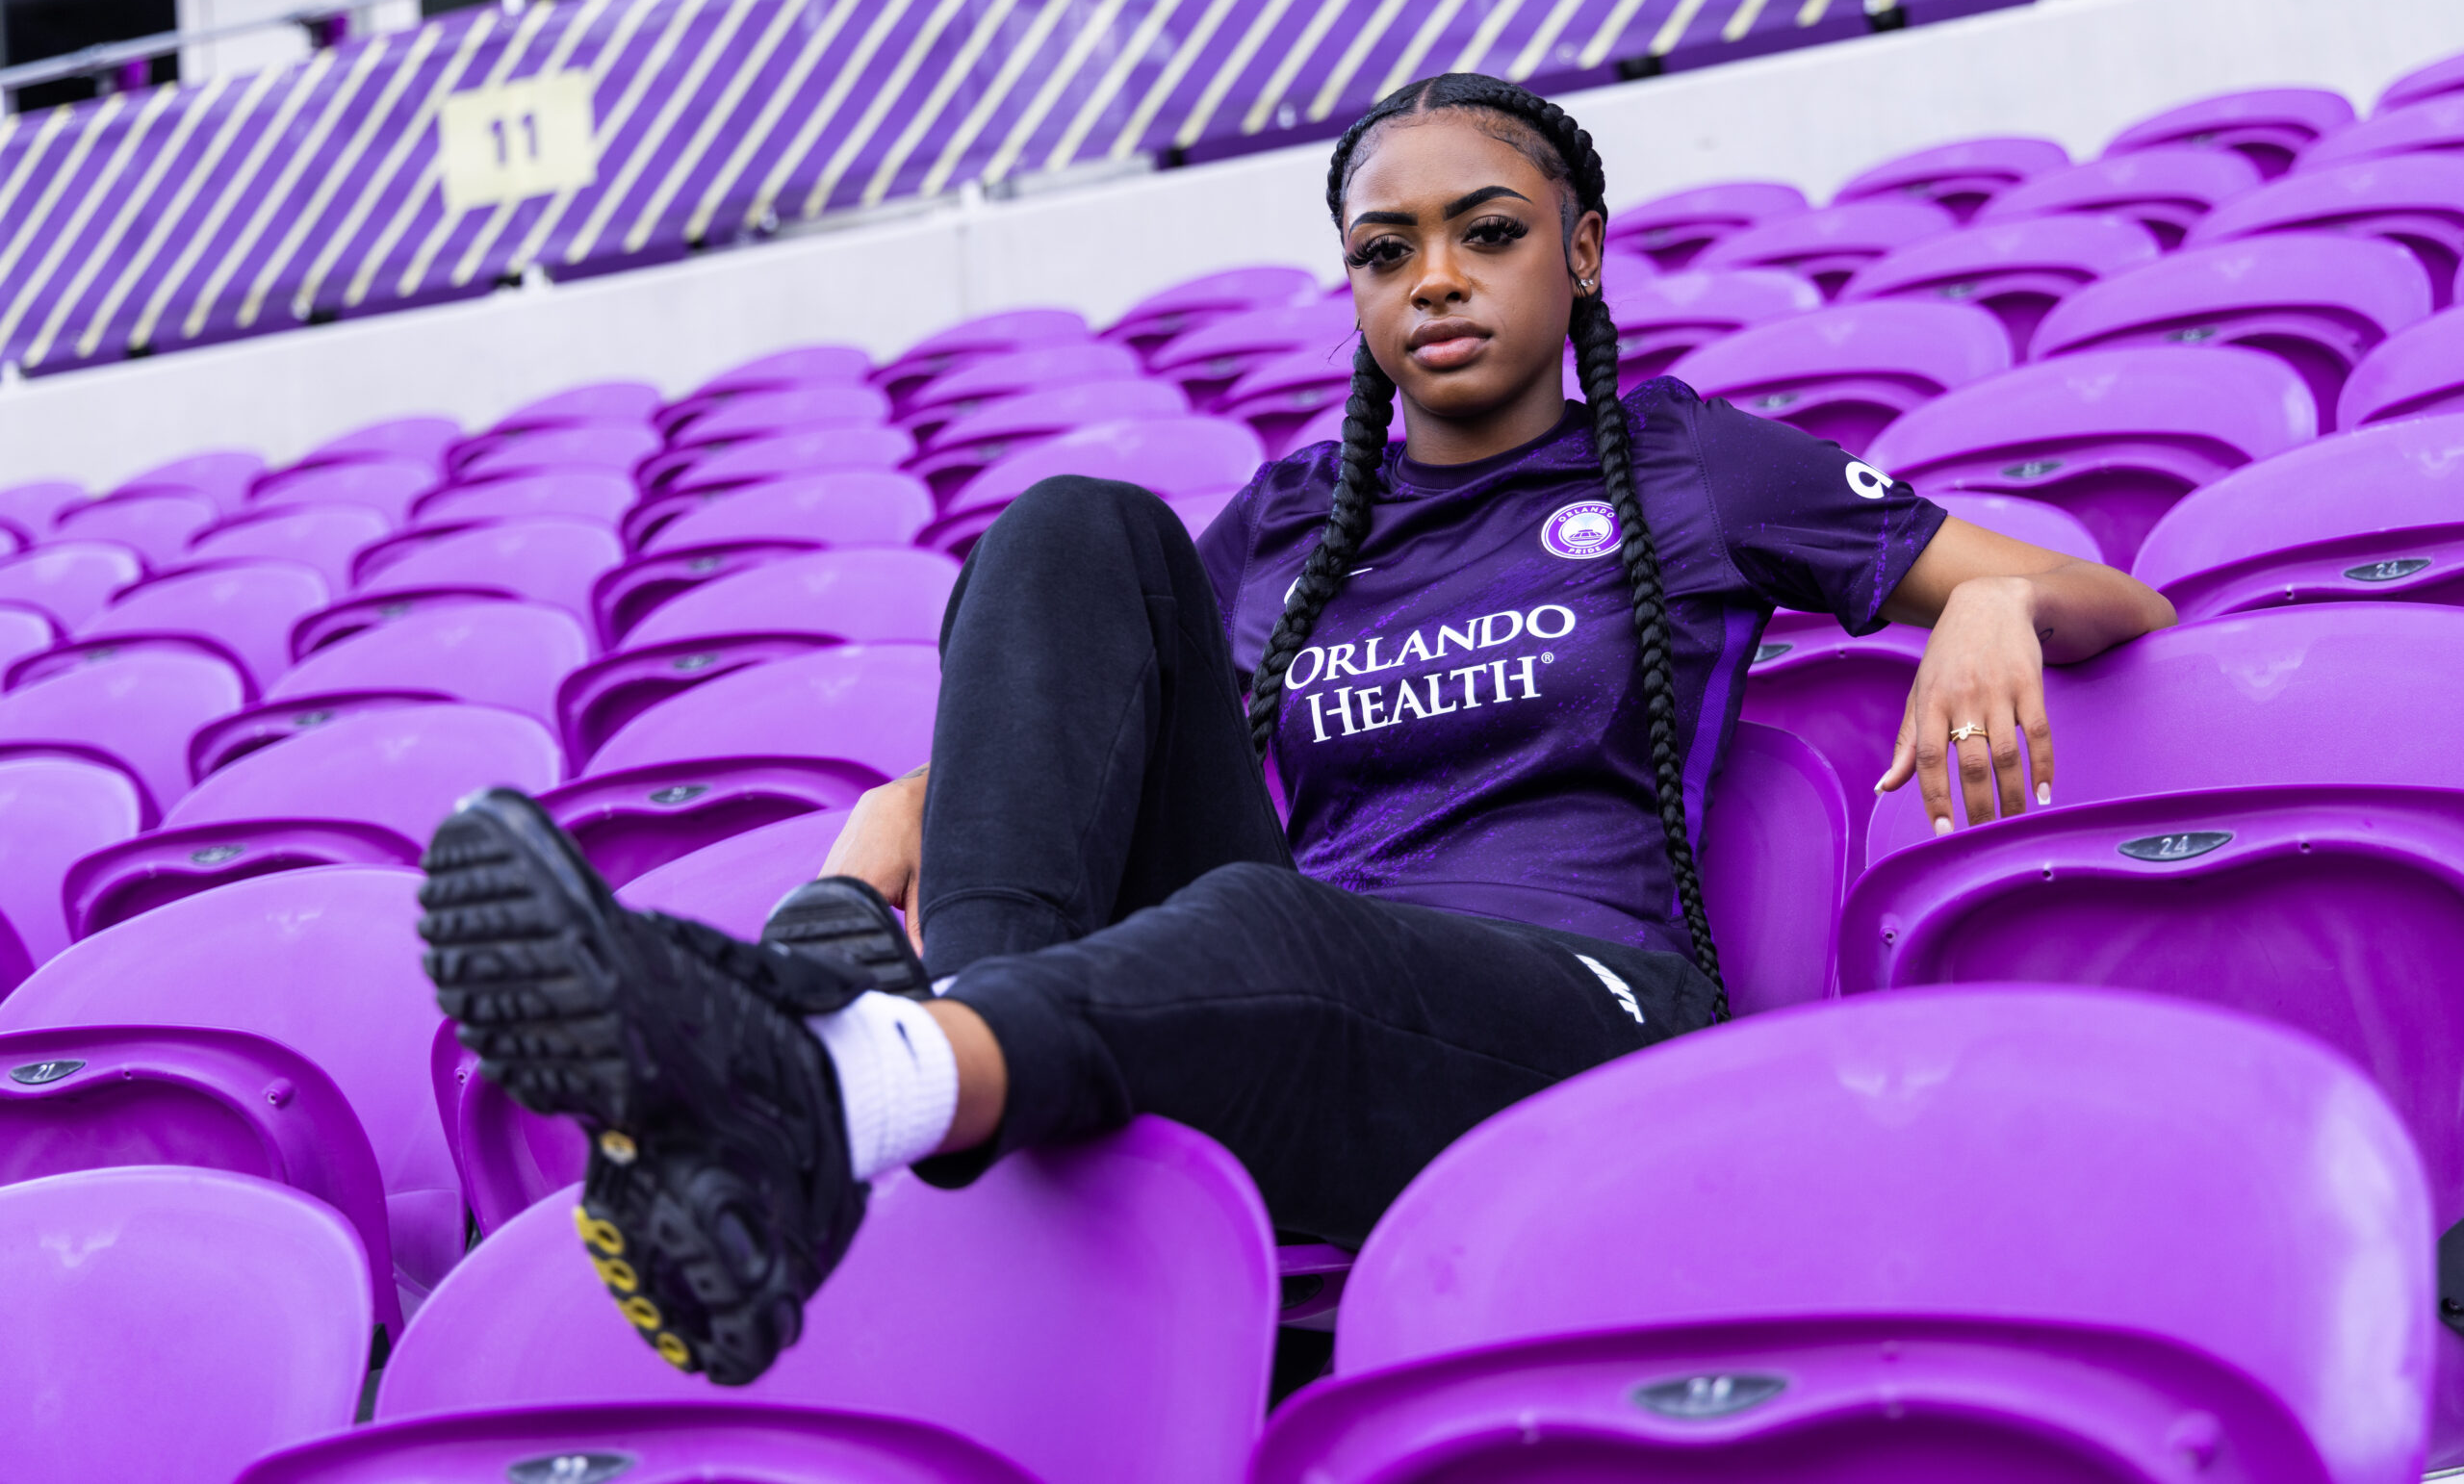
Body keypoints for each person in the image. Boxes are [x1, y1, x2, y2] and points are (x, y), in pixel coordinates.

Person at [417, 73, 2175, 1387]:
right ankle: (924, 1043)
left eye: (1488, 232)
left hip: (1573, 1011)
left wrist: (1997, 601)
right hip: (1283, 986)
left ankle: (827, 1092)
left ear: (1580, 250)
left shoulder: (1696, 462)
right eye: (1384, 249)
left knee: (1267, 930)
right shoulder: (1288, 521)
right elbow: (1086, 720)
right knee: (1066, 528)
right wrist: (900, 806)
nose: (1437, 278)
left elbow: (2122, 603)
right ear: (1350, 289)